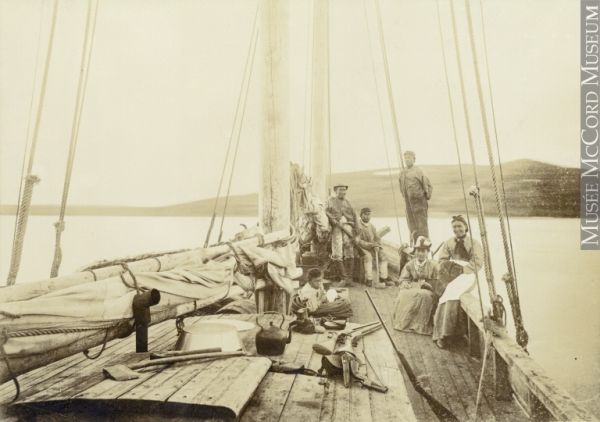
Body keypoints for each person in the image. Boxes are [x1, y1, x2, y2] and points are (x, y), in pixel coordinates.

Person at [432, 215, 483, 349]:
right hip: (452, 273)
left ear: (466, 227)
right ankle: (443, 332)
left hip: (468, 274)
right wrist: (450, 267)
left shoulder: (474, 243)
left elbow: (477, 263)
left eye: (460, 226)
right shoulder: (449, 243)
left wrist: (463, 269)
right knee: (444, 294)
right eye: (454, 227)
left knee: (451, 293)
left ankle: (446, 333)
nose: (457, 229)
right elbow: (441, 261)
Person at [391, 236, 438, 335]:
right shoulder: (409, 265)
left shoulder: (433, 265)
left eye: (423, 251)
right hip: (412, 286)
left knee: (425, 296)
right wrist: (405, 283)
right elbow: (403, 279)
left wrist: (427, 284)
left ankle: (420, 326)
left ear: (427, 252)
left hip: (427, 288)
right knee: (404, 294)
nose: (420, 253)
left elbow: (437, 281)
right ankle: (404, 323)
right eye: (418, 251)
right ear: (415, 251)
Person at [325, 184, 357, 287]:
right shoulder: (330, 201)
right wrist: (332, 219)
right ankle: (343, 278)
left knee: (349, 251)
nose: (343, 192)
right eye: (340, 190)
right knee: (337, 251)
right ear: (335, 191)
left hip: (348, 227)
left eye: (344, 190)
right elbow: (325, 211)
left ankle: (349, 278)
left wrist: (356, 230)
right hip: (337, 227)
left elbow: (354, 215)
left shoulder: (348, 202)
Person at [399, 151, 433, 240]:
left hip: (419, 203)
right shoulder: (402, 173)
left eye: (409, 158)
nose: (407, 160)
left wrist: (424, 197)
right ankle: (415, 246)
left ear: (414, 159)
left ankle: (425, 245)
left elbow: (428, 185)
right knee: (412, 226)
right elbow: (401, 187)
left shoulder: (419, 171)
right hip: (408, 203)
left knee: (422, 226)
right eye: (405, 158)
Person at [355, 208, 392, 288]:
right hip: (360, 248)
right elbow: (358, 241)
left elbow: (377, 238)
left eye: (368, 215)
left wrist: (378, 245)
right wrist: (372, 245)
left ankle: (383, 278)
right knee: (368, 257)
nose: (367, 217)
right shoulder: (357, 226)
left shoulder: (372, 226)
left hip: (372, 247)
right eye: (365, 214)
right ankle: (369, 279)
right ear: (361, 215)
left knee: (383, 256)